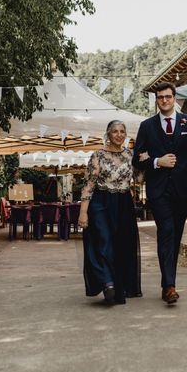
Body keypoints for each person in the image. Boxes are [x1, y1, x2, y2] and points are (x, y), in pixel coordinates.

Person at [132, 82, 187, 304]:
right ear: (156, 100)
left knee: (175, 236)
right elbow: (137, 158)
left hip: (183, 189)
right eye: (160, 98)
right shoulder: (147, 126)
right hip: (158, 191)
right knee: (166, 231)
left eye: (168, 97)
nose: (164, 101)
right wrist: (158, 161)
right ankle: (169, 286)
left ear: (174, 98)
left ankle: (169, 281)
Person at [78, 120, 142, 305]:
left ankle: (117, 285)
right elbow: (89, 185)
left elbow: (138, 177)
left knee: (121, 245)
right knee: (103, 241)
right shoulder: (98, 155)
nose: (119, 134)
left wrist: (146, 160)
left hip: (123, 202)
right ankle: (107, 283)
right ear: (108, 134)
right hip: (101, 201)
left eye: (122, 131)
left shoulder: (131, 155)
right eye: (115, 131)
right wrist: (83, 212)